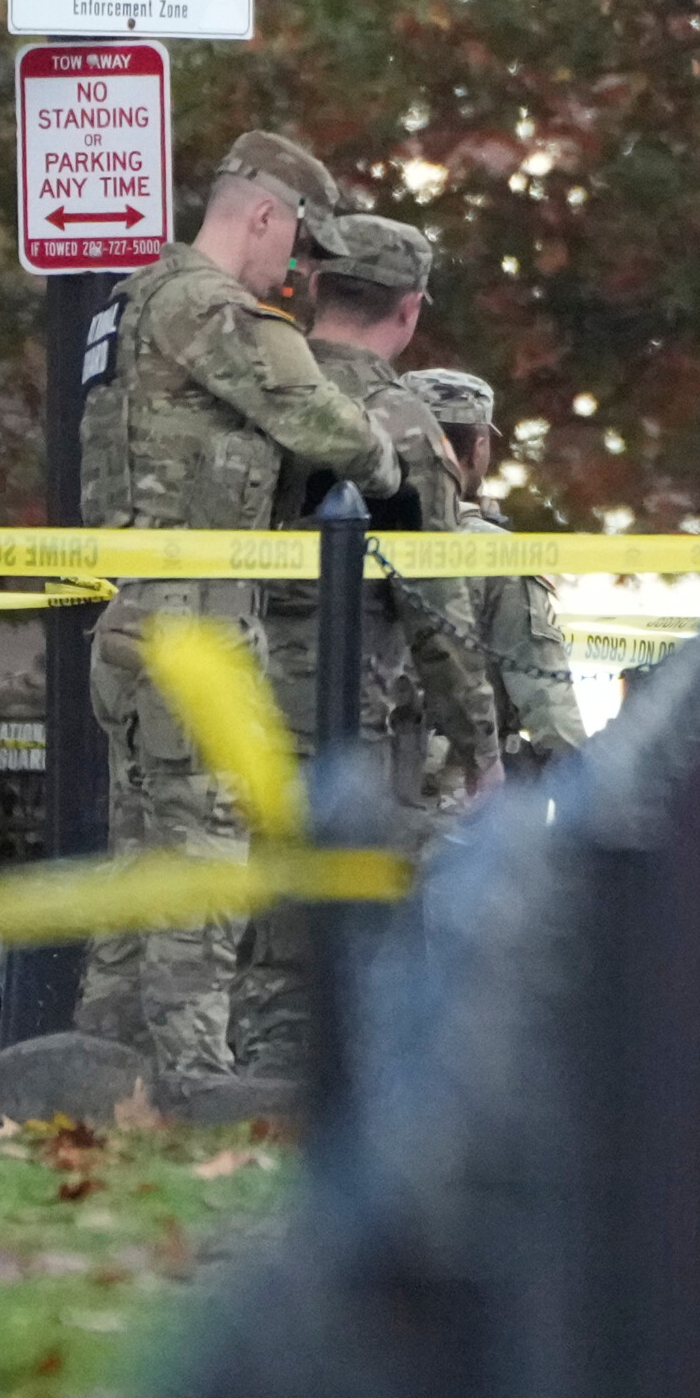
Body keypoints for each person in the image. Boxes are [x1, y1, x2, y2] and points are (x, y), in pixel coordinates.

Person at [73, 131, 404, 1094]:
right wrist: (384, 459)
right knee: (205, 877)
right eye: (298, 244)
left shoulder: (136, 300)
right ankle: (187, 1094)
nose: (297, 271)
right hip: (196, 628)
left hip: (144, 617)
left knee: (143, 877)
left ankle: (93, 1095)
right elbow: (323, 418)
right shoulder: (205, 306)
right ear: (261, 214)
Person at [233, 214, 502, 1082]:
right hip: (345, 723)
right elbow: (437, 611)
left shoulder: (246, 387)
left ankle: (237, 1103)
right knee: (345, 936)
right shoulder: (404, 427)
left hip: (218, 699)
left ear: (314, 287)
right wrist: (479, 749)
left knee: (242, 930)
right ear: (410, 309)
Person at [403, 366, 588, 777]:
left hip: (350, 782)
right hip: (463, 786)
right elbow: (544, 695)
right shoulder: (495, 552)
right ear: (479, 447)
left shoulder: (342, 528)